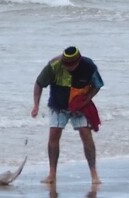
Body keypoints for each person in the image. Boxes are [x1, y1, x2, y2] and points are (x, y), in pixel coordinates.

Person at [31, 46, 104, 184]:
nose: (68, 67)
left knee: (86, 135)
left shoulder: (88, 66)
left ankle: (94, 175)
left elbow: (97, 84)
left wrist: (87, 99)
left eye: (71, 65)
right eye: (65, 64)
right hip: (58, 106)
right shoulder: (54, 66)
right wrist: (36, 105)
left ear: (79, 61)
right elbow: (39, 84)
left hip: (80, 106)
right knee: (54, 135)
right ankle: (52, 174)